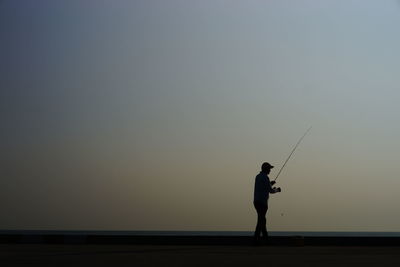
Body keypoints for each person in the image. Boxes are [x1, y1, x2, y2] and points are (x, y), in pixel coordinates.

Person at [253, 162, 281, 245]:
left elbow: (263, 187)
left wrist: (270, 184)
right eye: (269, 169)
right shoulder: (265, 178)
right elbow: (271, 191)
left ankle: (264, 240)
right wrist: (277, 190)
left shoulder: (258, 177)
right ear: (266, 169)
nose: (270, 170)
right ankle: (257, 240)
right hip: (262, 203)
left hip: (256, 201)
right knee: (261, 221)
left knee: (262, 220)